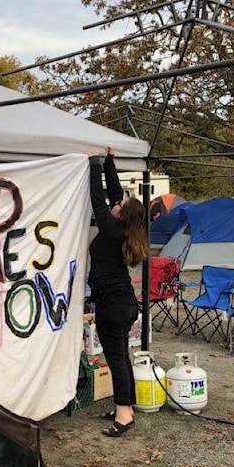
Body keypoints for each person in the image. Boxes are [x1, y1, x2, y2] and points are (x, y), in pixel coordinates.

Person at [87, 146, 149, 437]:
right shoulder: (124, 230)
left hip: (112, 306)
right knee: (121, 357)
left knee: (117, 360)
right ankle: (128, 406)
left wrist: (94, 164)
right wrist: (109, 161)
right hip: (123, 303)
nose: (117, 203)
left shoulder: (112, 229)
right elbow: (113, 195)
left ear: (120, 216)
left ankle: (123, 415)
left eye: (120, 206)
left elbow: (98, 199)